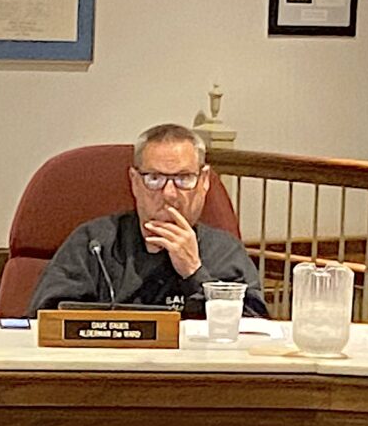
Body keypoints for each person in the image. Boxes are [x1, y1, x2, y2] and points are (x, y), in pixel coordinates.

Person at [26, 123, 265, 317]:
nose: (169, 194)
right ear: (134, 182)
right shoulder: (94, 244)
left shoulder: (224, 252)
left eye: (183, 178)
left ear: (204, 181)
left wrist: (194, 272)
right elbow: (44, 317)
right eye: (154, 178)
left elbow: (255, 331)